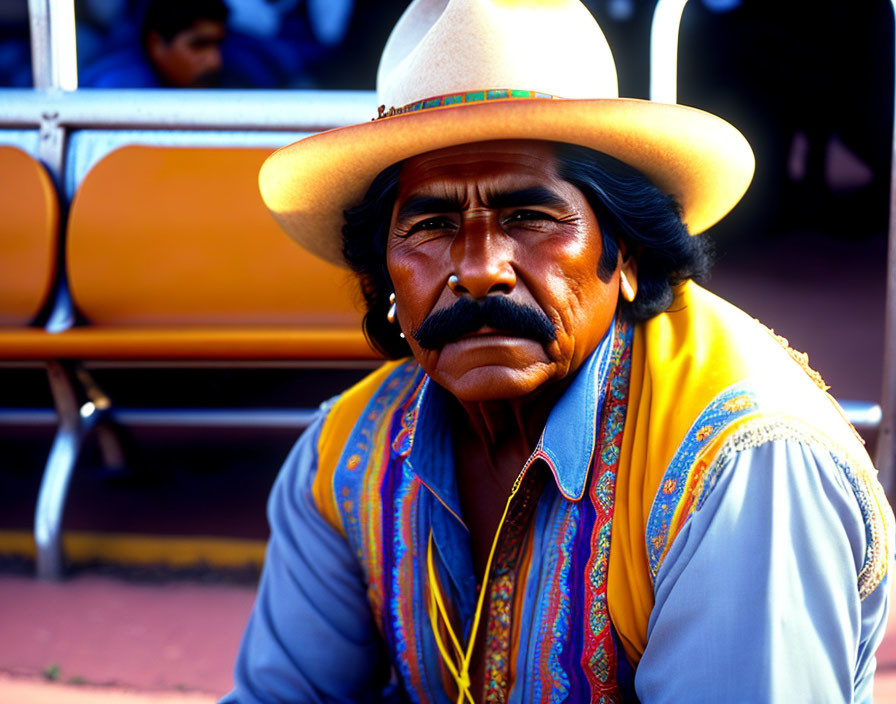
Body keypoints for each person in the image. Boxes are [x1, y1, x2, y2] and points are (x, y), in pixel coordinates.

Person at [222, 0, 894, 701]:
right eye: (431, 224)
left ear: (626, 251)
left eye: (531, 217)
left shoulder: (740, 463)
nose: (481, 268)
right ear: (383, 273)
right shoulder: (345, 458)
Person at [80, 0, 228, 88]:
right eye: (198, 45)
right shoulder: (116, 89)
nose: (215, 61)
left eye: (217, 45)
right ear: (157, 45)